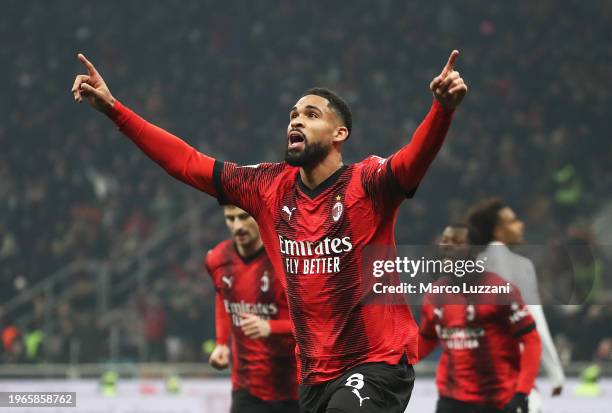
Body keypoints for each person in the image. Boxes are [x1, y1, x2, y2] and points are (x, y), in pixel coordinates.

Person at [71, 49, 467, 413]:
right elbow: (188, 162)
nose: (296, 119)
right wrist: (113, 109)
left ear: (339, 134)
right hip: (312, 375)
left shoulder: (369, 183)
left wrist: (442, 110)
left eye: (311, 114)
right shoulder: (266, 186)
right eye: (293, 114)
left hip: (377, 362)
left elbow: (415, 159)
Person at [419, 224, 542, 413]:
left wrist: (522, 392)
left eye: (457, 242)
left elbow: (531, 341)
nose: (447, 246)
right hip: (450, 399)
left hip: (497, 400)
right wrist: (393, 361)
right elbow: (426, 339)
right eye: (445, 241)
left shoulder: (499, 290)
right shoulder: (435, 294)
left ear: (475, 251)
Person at [467, 198, 566, 412]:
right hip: (513, 375)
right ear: (498, 231)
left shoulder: (470, 266)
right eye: (512, 221)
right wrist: (555, 373)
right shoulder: (521, 265)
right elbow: (535, 322)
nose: (520, 224)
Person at [206, 205, 298, 412]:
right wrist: (222, 343)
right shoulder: (217, 258)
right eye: (230, 219)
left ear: (259, 216)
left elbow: (315, 325)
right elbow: (222, 296)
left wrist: (270, 328)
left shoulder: (287, 259)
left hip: (295, 387)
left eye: (243, 217)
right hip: (247, 389)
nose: (237, 226)